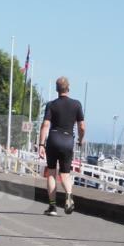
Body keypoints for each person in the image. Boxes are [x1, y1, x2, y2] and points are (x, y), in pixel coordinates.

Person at [38, 76, 86, 216]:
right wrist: (81, 139)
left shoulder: (51, 105)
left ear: (56, 89)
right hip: (67, 140)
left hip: (53, 139)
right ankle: (69, 196)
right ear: (68, 88)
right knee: (65, 174)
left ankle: (52, 207)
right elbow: (82, 127)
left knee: (51, 173)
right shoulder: (76, 104)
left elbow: (45, 125)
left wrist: (41, 144)